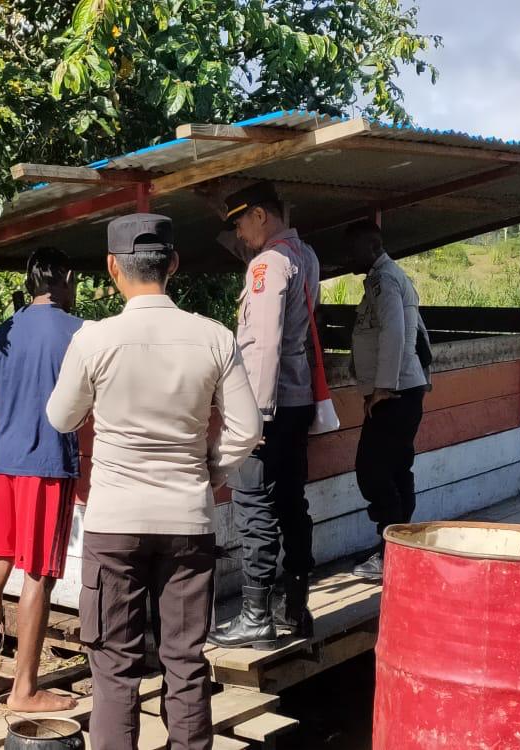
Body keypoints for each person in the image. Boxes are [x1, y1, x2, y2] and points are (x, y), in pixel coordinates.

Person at [47, 213, 262, 750]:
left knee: (114, 668)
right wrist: (209, 472)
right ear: (175, 265)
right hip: (188, 520)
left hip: (114, 524)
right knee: (185, 662)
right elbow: (248, 428)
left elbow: (60, 418)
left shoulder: (94, 340)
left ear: (112, 268)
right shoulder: (213, 337)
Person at [207, 181, 320, 650]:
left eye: (240, 222)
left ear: (260, 215)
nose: (239, 233)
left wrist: (253, 416)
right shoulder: (304, 255)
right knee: (291, 500)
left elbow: (266, 341)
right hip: (297, 398)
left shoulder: (268, 264)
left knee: (254, 502)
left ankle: (256, 614)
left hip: (269, 403)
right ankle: (295, 603)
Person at [0, 247, 83, 711]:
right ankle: (24, 690)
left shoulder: (5, 331)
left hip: (0, 461)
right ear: (69, 278)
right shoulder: (79, 333)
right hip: (46, 465)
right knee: (38, 575)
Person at [345, 220, 430, 581]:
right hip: (403, 390)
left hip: (393, 394)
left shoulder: (384, 281)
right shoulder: (390, 278)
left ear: (372, 247)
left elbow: (396, 333)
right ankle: (396, 547)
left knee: (374, 470)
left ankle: (389, 552)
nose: (347, 257)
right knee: (396, 469)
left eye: (352, 249)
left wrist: (382, 387)